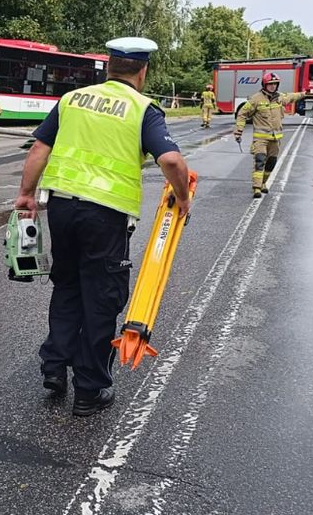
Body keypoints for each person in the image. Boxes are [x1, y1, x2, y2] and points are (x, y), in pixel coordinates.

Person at [13, 37, 192, 417]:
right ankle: (90, 390)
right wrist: (183, 197)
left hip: (61, 207)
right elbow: (173, 161)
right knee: (101, 298)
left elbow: (38, 150)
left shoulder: (73, 100)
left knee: (67, 287)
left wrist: (27, 195)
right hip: (105, 216)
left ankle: (54, 368)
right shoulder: (143, 109)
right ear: (143, 70)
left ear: (108, 66)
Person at [234, 73, 305, 199]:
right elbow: (242, 113)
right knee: (260, 161)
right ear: (264, 85)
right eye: (270, 84)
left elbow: (291, 97)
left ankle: (263, 183)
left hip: (275, 138)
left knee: (271, 163)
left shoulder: (280, 97)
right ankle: (256, 188)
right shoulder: (256, 99)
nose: (272, 86)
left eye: (275, 84)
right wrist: (239, 130)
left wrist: (303, 94)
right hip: (260, 138)